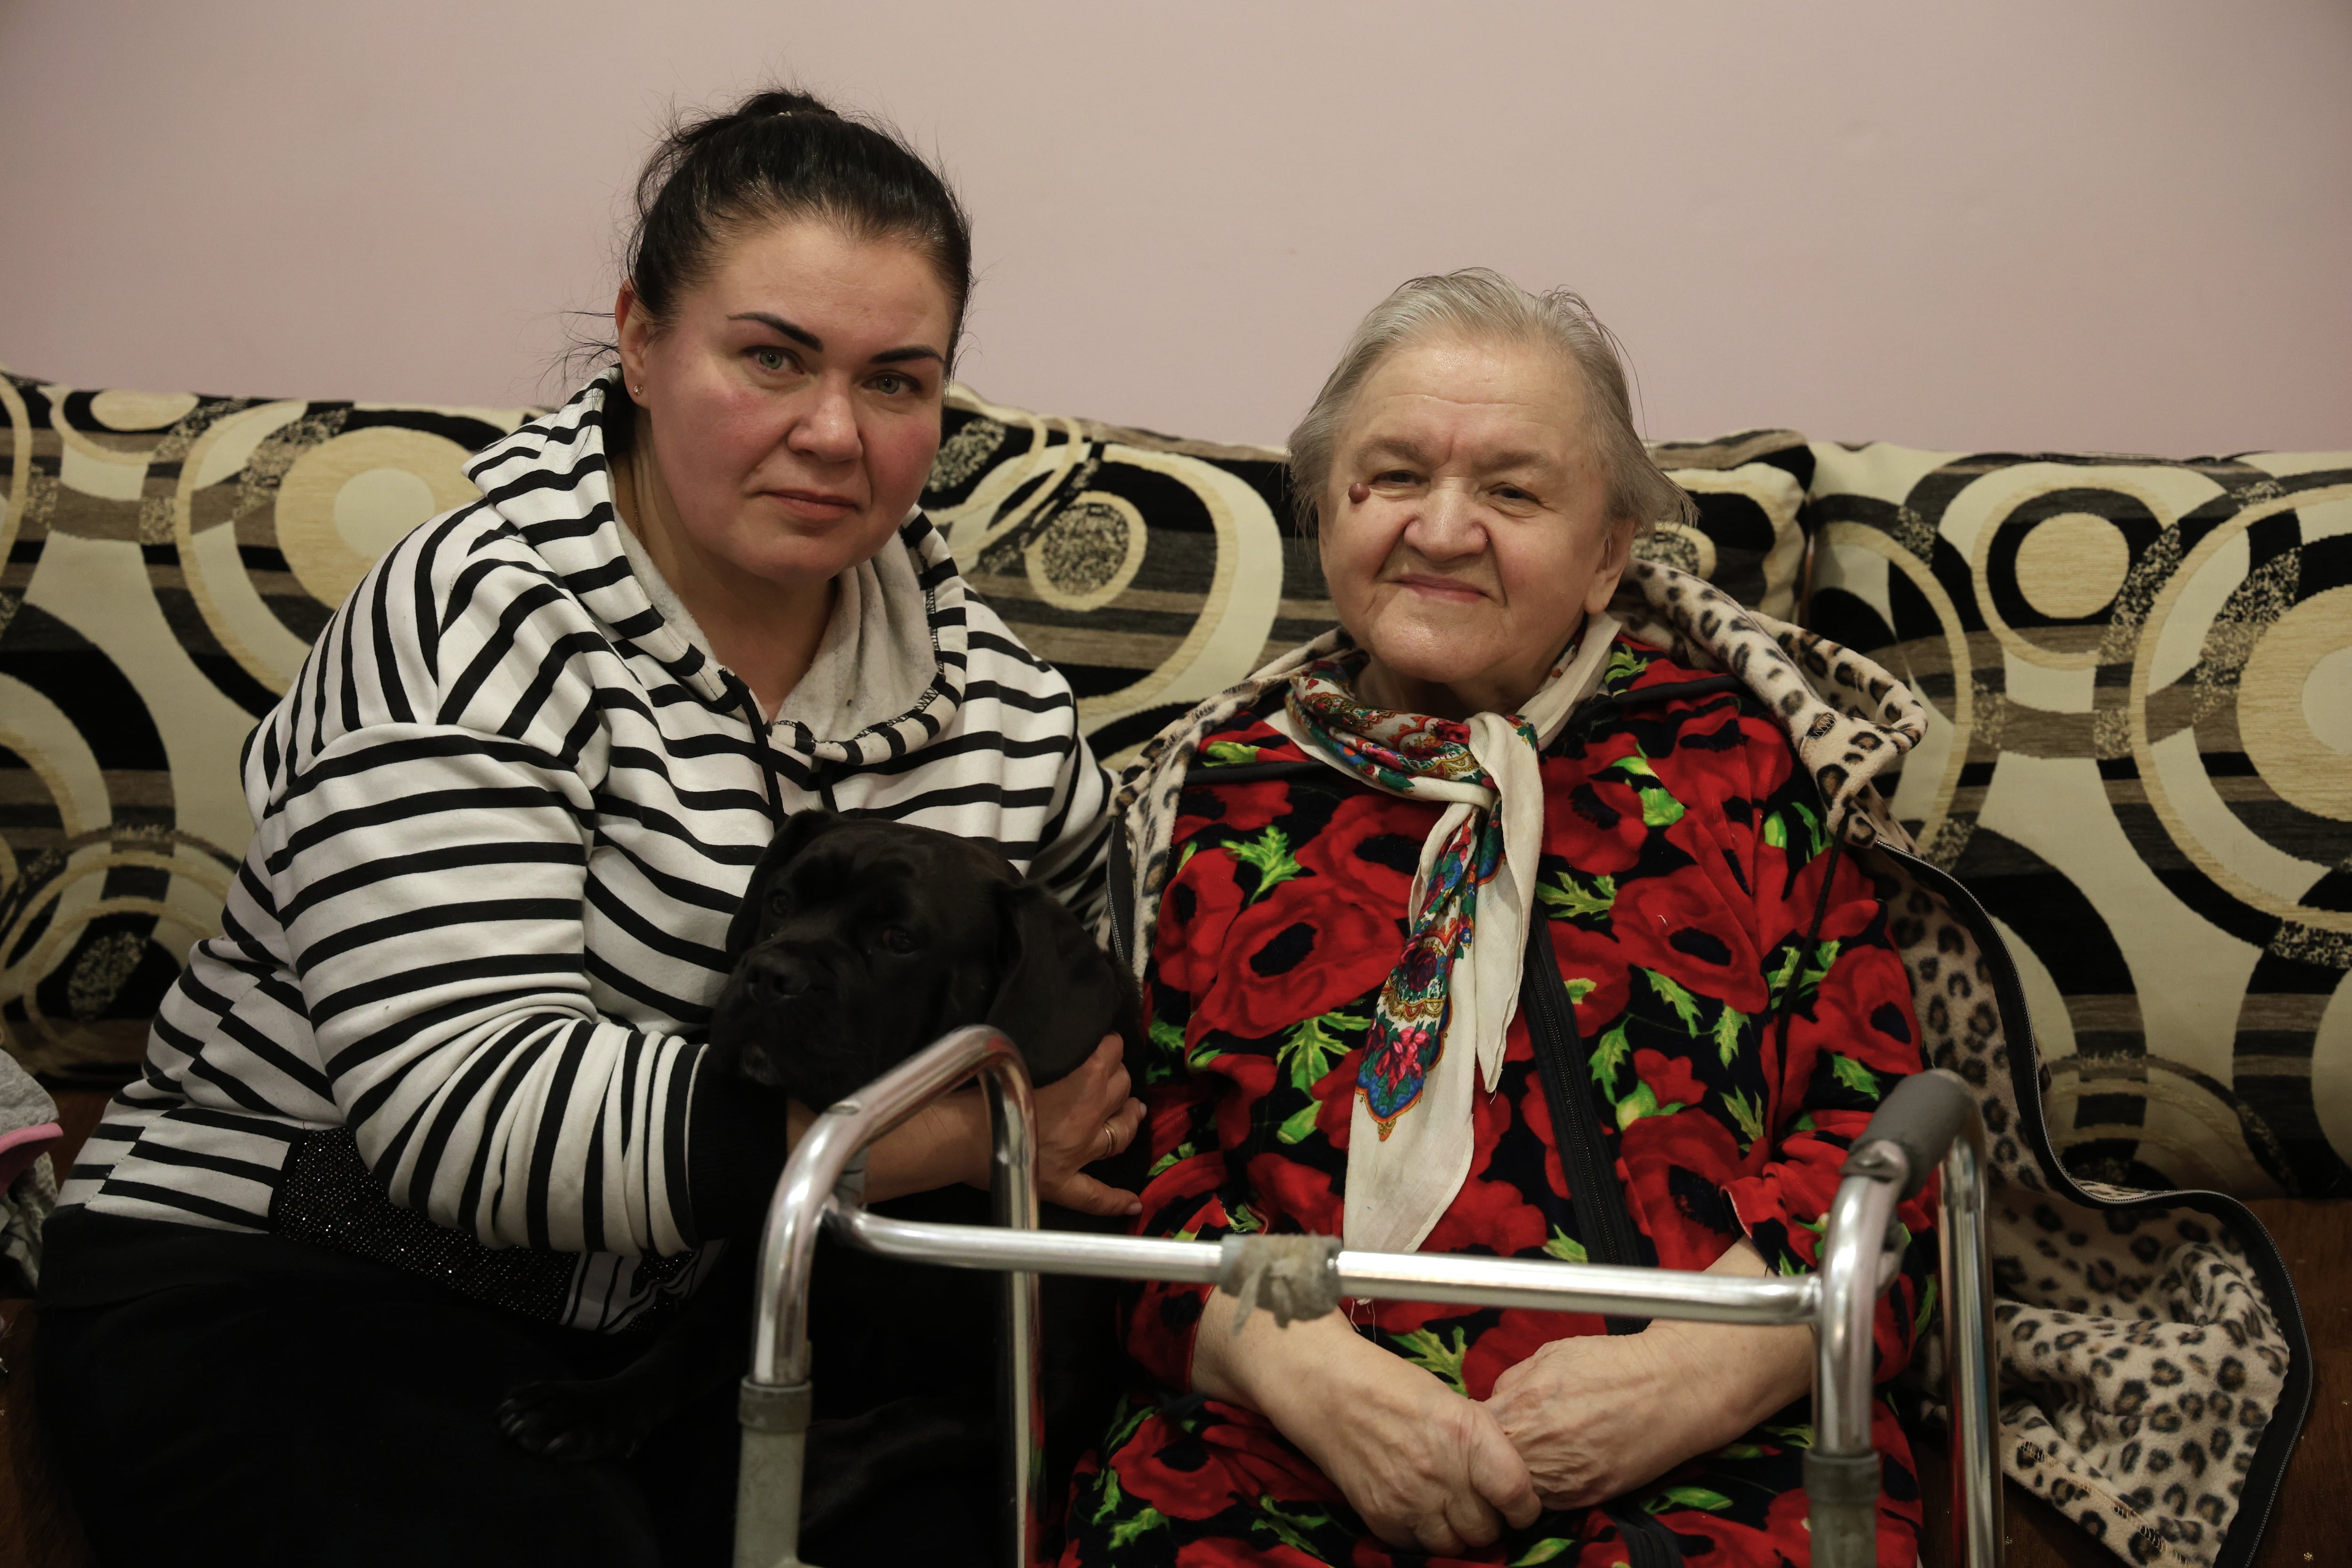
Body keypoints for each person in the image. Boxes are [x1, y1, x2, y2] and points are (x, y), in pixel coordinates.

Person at [39, 88, 1142, 1568]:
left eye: (897, 382)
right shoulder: (477, 615)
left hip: (735, 1323)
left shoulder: (1000, 708)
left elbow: (1103, 1017)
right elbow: (469, 1125)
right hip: (292, 1268)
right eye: (772, 358)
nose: (834, 432)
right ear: (638, 340)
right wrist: (947, 1143)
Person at [1066, 271, 1937, 1568]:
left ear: (1607, 559)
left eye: (1513, 493)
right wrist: (1319, 1387)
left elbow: (1881, 1137)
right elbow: (1136, 1167)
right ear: (1326, 512)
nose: (1443, 527)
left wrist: (1694, 1378)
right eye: (1393, 478)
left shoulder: (1738, 764)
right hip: (1282, 1443)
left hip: (1714, 1444)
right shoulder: (1212, 791)